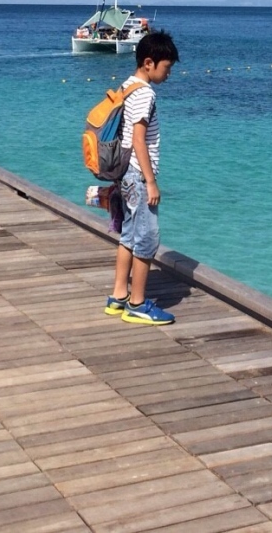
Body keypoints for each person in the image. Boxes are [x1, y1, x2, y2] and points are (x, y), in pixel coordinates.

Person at [106, 30, 180, 325]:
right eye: (167, 68)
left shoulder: (127, 85)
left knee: (128, 236)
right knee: (147, 238)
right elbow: (138, 140)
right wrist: (150, 181)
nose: (168, 74)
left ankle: (118, 296)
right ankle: (137, 304)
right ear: (149, 63)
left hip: (124, 173)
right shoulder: (145, 93)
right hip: (137, 175)